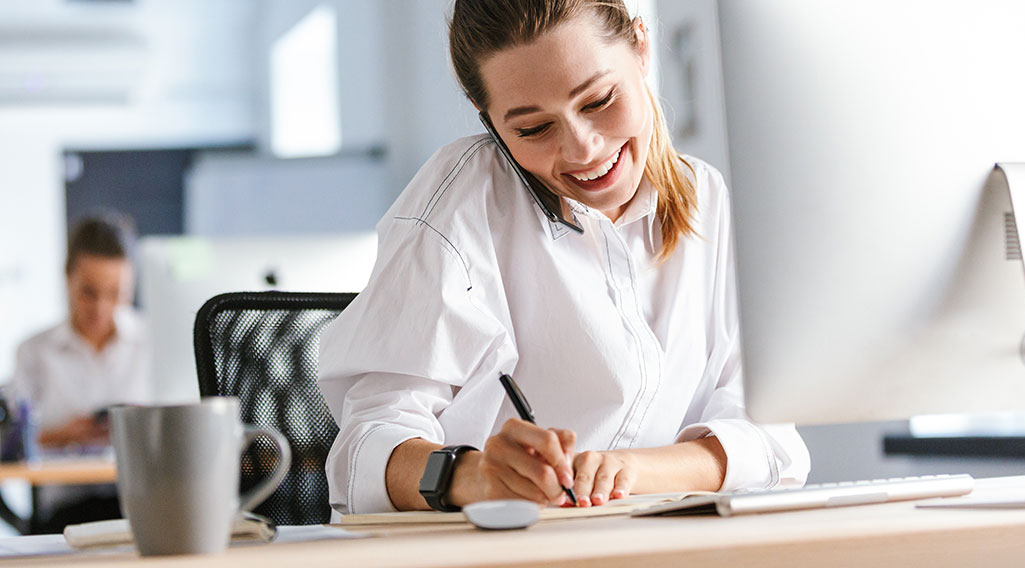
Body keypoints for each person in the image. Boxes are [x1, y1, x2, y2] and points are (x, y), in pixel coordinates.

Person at [318, 0, 810, 516]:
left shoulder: (707, 199)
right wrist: (473, 476)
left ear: (641, 47)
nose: (583, 149)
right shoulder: (458, 208)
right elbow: (364, 453)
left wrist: (632, 470)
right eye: (533, 129)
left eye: (598, 100)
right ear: (484, 113)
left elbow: (769, 440)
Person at [9, 212, 151, 530]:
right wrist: (58, 436)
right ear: (67, 278)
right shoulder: (35, 351)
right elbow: (3, 447)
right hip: (65, 513)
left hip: (143, 505)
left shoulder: (153, 343)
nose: (101, 308)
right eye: (89, 292)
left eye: (117, 294)